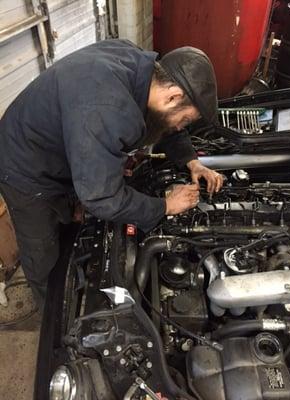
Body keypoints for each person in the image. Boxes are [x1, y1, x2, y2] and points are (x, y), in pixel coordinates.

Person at [0, 39, 223, 309]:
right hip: (25, 165)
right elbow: (102, 197)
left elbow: (167, 123)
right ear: (173, 95)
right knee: (42, 251)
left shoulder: (141, 68)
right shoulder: (108, 107)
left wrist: (191, 162)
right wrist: (165, 206)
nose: (181, 127)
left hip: (58, 143)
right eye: (185, 119)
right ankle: (52, 313)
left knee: (68, 222)